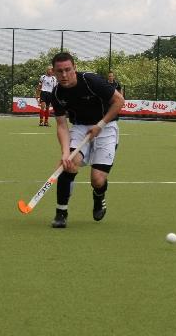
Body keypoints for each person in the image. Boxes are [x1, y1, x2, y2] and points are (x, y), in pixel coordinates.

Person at [49, 52, 125, 228]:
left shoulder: (91, 81)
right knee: (68, 164)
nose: (64, 75)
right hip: (80, 128)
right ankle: (61, 212)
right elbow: (62, 125)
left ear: (74, 68)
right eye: (60, 71)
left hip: (106, 126)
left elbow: (119, 101)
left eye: (68, 69)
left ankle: (99, 196)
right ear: (54, 72)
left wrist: (100, 125)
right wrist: (65, 153)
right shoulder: (57, 93)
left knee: (97, 180)